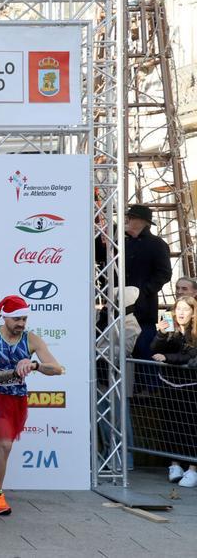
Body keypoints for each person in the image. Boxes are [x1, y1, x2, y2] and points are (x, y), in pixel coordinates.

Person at [0, 295, 65, 516]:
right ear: (5, 317)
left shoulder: (31, 339)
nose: (21, 324)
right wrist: (15, 371)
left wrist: (34, 365)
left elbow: (56, 367)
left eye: (24, 318)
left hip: (15, 400)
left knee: (0, 447)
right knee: (5, 444)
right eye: (17, 319)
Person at [151, 295, 197, 487]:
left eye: (185, 309)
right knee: (171, 425)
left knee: (191, 427)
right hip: (169, 384)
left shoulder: (194, 333)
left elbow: (189, 356)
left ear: (193, 313)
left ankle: (193, 469)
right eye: (178, 309)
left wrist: (166, 357)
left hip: (191, 387)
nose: (181, 313)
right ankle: (174, 463)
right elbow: (154, 349)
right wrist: (161, 334)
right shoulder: (171, 329)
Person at [123, 204, 172, 359]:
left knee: (144, 356)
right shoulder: (122, 243)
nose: (127, 220)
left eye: (130, 218)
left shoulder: (157, 244)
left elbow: (164, 273)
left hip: (143, 312)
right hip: (119, 311)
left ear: (142, 221)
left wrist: (142, 292)